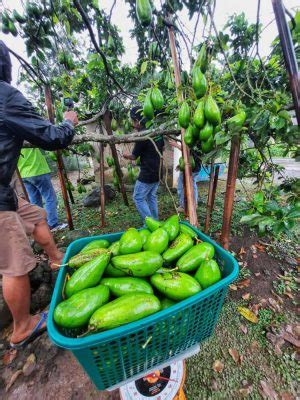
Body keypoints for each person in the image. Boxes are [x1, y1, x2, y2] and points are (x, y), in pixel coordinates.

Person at [0, 41, 78, 347]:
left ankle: (57, 259)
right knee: (15, 263)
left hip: (4, 189)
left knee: (38, 216)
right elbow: (52, 137)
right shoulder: (4, 96)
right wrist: (68, 123)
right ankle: (22, 326)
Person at [124, 106, 164, 222]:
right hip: (158, 171)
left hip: (147, 173)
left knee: (138, 198)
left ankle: (150, 224)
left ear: (137, 120)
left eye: (133, 121)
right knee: (151, 196)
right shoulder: (156, 131)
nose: (132, 124)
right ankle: (155, 220)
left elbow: (134, 156)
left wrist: (125, 155)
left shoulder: (142, 135)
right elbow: (163, 148)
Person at [18, 148, 65, 230]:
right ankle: (53, 224)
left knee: (34, 200)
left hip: (23, 175)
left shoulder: (11, 141)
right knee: (50, 198)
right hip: (38, 171)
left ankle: (40, 223)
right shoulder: (27, 137)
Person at [168, 138, 201, 212]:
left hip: (191, 168)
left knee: (181, 187)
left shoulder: (196, 142)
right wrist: (181, 165)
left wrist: (176, 145)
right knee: (192, 185)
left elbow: (188, 152)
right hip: (193, 167)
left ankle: (183, 206)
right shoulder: (197, 140)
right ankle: (194, 203)